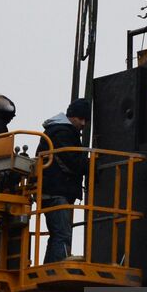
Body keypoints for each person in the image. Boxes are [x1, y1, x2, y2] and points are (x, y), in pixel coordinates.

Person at [38, 99, 90, 262]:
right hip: (56, 191)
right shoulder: (63, 132)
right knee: (62, 233)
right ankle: (56, 267)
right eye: (80, 119)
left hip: (52, 190)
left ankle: (50, 266)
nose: (83, 123)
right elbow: (72, 160)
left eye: (85, 120)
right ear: (71, 116)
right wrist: (93, 164)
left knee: (57, 234)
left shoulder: (56, 130)